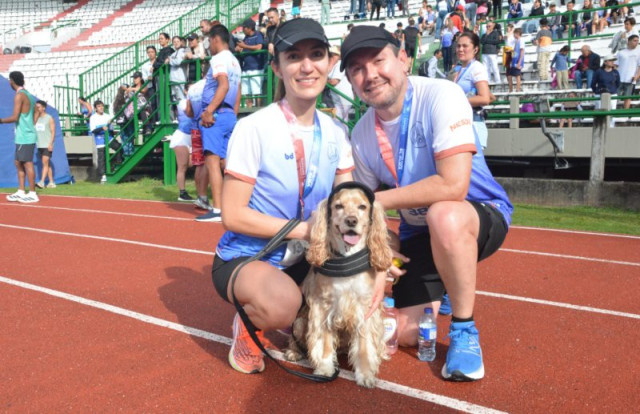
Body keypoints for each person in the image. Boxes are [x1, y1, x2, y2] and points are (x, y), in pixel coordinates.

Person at [341, 25, 512, 381]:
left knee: (444, 214)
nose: (370, 75)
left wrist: (374, 200)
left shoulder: (442, 95)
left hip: (477, 214)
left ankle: (464, 329)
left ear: (403, 59)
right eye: (357, 69)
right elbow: (364, 218)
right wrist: (381, 250)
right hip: (418, 232)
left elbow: (453, 185)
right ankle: (445, 283)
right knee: (405, 333)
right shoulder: (361, 135)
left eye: (378, 61)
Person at [212, 18, 355, 375]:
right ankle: (249, 325)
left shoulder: (337, 132)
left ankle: (304, 313)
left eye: (316, 55)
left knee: (370, 289)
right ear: (277, 67)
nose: (307, 66)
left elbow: (348, 205)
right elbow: (232, 215)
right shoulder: (254, 128)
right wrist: (306, 230)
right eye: (294, 57)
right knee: (282, 304)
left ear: (329, 63)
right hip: (249, 256)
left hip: (307, 257)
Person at [196, 24, 242, 222]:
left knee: (212, 162)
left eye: (209, 41)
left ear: (215, 39)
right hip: (229, 114)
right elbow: (238, 91)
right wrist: (232, 114)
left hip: (216, 115)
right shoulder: (235, 61)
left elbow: (223, 85)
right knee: (227, 163)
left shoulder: (218, 59)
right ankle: (235, 205)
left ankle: (217, 209)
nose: (209, 45)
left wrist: (209, 111)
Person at [2, 71, 39, 203]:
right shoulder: (28, 95)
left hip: (25, 136)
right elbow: (37, 111)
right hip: (24, 135)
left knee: (27, 163)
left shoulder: (19, 96)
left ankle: (32, 193)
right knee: (18, 163)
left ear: (12, 81)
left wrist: (1, 120)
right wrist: (31, 124)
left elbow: (15, 117)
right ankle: (21, 190)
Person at [453, 32, 494, 149]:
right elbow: (491, 96)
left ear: (475, 49)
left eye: (465, 46)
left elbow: (485, 98)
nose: (460, 49)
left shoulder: (476, 67)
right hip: (461, 124)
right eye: (458, 46)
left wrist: (456, 101)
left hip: (473, 125)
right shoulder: (459, 69)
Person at [169, 85, 195, 202]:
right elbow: (191, 112)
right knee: (182, 166)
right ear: (185, 91)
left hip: (193, 136)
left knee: (192, 164)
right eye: (190, 89)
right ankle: (182, 193)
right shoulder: (182, 102)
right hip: (182, 137)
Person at [89, 100, 120, 183]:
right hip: (99, 138)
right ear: (95, 108)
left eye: (102, 106)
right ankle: (103, 175)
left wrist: (112, 130)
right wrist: (101, 128)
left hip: (109, 137)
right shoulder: (93, 117)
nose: (101, 108)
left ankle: (118, 164)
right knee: (102, 158)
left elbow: (111, 129)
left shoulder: (107, 116)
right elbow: (93, 130)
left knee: (118, 147)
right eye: (99, 106)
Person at [235, 19, 264, 108]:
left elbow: (259, 47)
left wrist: (244, 46)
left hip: (256, 68)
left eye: (244, 27)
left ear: (250, 28)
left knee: (257, 91)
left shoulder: (258, 35)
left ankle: (258, 109)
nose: (242, 29)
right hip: (246, 68)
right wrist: (238, 48)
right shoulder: (246, 37)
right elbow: (242, 47)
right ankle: (249, 109)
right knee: (246, 92)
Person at [591, 54, 620, 127]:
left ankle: (611, 126)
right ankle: (599, 126)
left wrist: (613, 90)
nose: (612, 62)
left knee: (612, 110)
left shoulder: (615, 72)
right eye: (610, 60)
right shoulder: (598, 72)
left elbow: (618, 83)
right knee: (599, 110)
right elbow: (593, 83)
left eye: (613, 61)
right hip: (600, 94)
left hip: (612, 94)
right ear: (605, 62)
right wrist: (597, 91)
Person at [327, 45, 354, 121]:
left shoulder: (340, 64)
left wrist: (324, 81)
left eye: (333, 54)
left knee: (338, 121)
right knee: (342, 121)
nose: (331, 57)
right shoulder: (333, 65)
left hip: (343, 98)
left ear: (338, 56)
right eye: (330, 55)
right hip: (337, 99)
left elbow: (334, 82)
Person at [34, 100, 56, 189]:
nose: (37, 109)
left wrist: (50, 144)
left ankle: (42, 182)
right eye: (36, 107)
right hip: (39, 145)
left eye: (38, 107)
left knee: (44, 162)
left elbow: (53, 131)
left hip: (47, 145)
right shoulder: (36, 119)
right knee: (47, 164)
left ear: (43, 108)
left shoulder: (49, 118)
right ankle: (51, 182)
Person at [616, 34, 640, 109]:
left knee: (628, 97)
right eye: (635, 41)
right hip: (619, 79)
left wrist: (636, 77)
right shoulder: (621, 52)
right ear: (629, 41)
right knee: (615, 96)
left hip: (631, 79)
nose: (636, 42)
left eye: (637, 41)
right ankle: (612, 112)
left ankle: (625, 113)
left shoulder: (639, 52)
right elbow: (615, 65)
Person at [507, 28, 525, 92]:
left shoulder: (521, 40)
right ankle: (511, 89)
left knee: (517, 74)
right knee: (510, 74)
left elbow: (522, 51)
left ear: (517, 34)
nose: (513, 35)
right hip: (514, 60)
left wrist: (519, 62)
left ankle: (518, 88)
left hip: (518, 60)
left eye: (514, 33)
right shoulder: (516, 41)